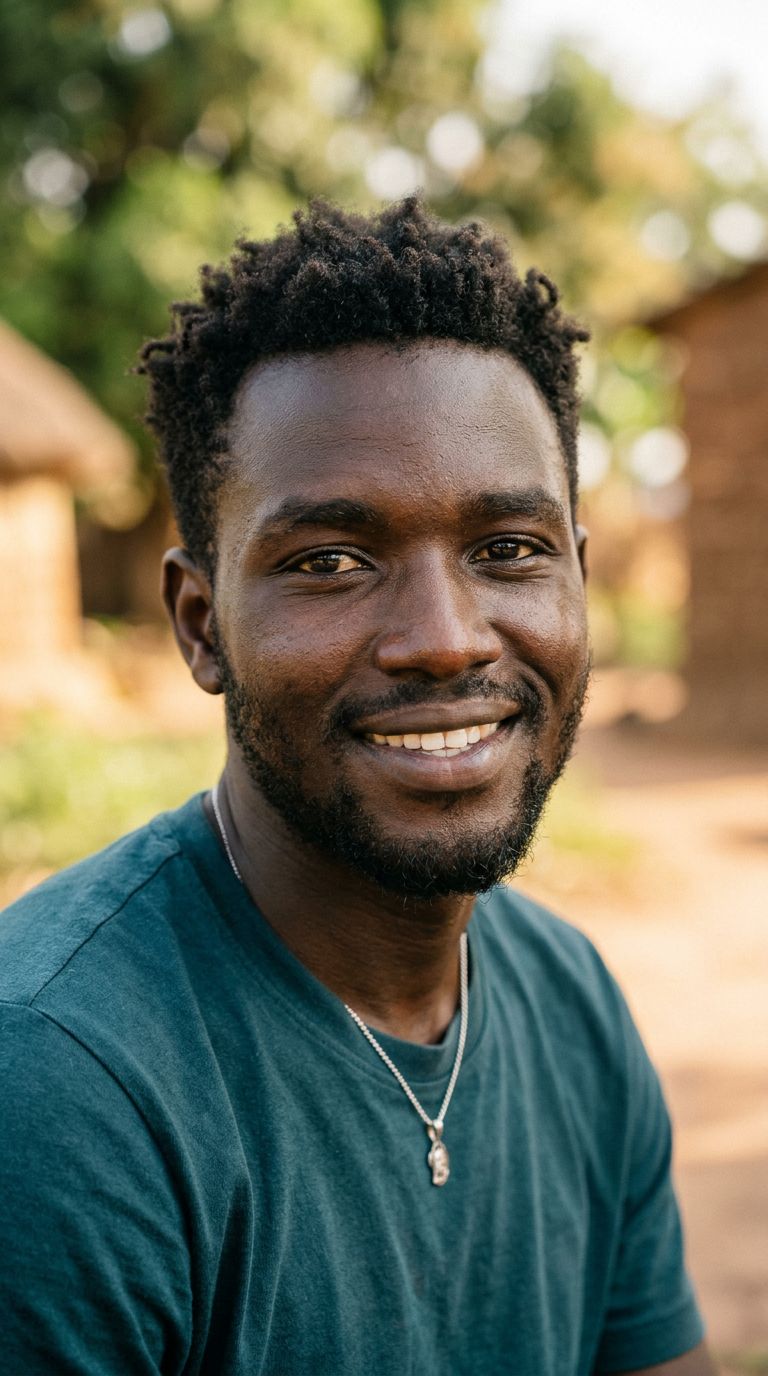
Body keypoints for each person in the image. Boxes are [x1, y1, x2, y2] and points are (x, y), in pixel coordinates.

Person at [0, 198, 715, 1375]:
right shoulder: (60, 1090)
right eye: (330, 561)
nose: (444, 638)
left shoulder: (572, 1003)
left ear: (582, 581)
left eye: (508, 549)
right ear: (200, 622)